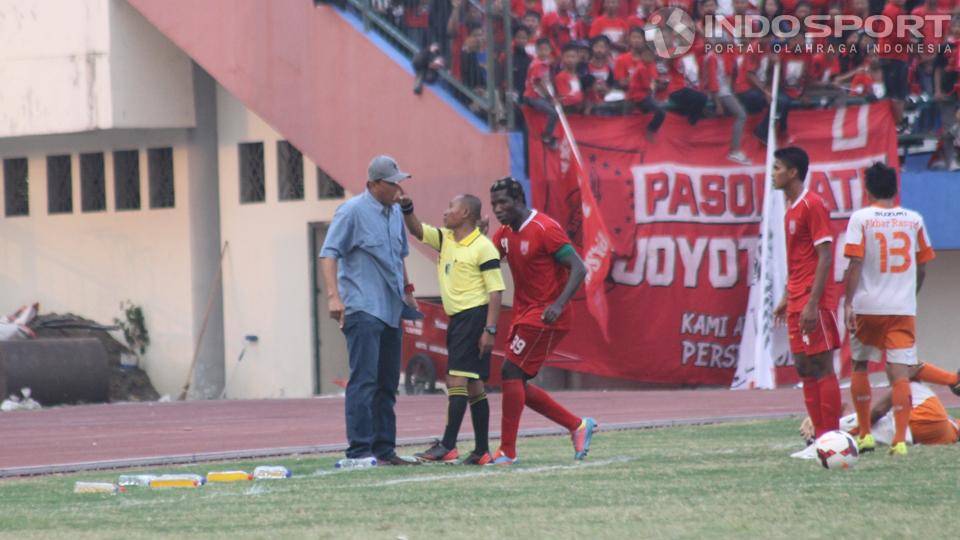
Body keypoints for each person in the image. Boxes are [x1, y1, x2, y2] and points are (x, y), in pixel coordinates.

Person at [843, 162, 960, 456]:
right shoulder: (913, 219)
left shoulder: (861, 218)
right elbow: (922, 267)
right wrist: (910, 295)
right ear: (895, 189)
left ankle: (866, 435)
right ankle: (898, 440)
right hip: (901, 308)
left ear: (866, 188)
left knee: (860, 365)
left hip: (868, 305)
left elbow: (855, 263)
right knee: (899, 374)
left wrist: (848, 302)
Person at [319, 155, 423, 467]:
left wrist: (408, 292)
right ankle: (359, 451)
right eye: (393, 184)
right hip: (363, 307)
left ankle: (384, 449)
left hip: (391, 309)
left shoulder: (394, 214)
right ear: (374, 184)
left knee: (388, 383)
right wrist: (333, 297)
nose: (398, 189)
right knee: (364, 380)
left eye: (399, 183)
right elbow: (329, 253)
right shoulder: (351, 211)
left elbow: (399, 256)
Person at [488, 177, 598, 465]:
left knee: (510, 372)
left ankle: (507, 451)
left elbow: (578, 267)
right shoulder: (503, 234)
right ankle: (577, 425)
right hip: (524, 314)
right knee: (517, 382)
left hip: (547, 315)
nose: (498, 209)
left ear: (519, 200)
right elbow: (486, 262)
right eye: (494, 204)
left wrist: (559, 304)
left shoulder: (544, 228)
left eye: (504, 203)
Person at [400, 193, 506, 465]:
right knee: (474, 385)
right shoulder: (445, 238)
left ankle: (448, 445)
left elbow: (495, 291)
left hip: (474, 318)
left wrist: (490, 330)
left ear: (466, 214)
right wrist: (408, 208)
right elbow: (415, 229)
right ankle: (482, 450)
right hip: (458, 320)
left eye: (451, 207)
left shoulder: (483, 247)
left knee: (455, 380)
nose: (445, 212)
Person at [771, 147, 842, 448]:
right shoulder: (791, 208)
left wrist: (813, 302)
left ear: (793, 172)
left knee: (822, 366)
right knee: (802, 367)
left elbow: (824, 256)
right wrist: (788, 295)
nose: (772, 174)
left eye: (777, 168)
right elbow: (797, 258)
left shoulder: (813, 204)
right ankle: (816, 442)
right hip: (797, 297)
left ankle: (831, 439)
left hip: (814, 300)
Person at [793, 382, 959, 460]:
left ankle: (820, 439)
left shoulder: (913, 384)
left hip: (910, 424)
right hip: (928, 428)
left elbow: (877, 412)